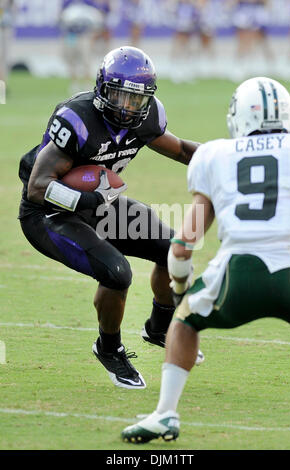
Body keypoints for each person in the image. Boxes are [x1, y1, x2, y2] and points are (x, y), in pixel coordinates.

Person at [121, 76, 290, 442]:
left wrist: (181, 290)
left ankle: (165, 414)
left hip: (237, 274)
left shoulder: (215, 154)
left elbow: (183, 246)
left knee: (184, 322)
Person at [18, 46, 204, 391]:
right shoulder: (76, 119)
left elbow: (179, 150)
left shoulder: (146, 119)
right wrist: (90, 198)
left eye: (136, 100)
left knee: (171, 249)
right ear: (103, 90)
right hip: (49, 213)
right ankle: (109, 347)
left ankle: (159, 328)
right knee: (117, 272)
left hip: (97, 204)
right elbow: (37, 187)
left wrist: (223, 161)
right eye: (120, 96)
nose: (127, 107)